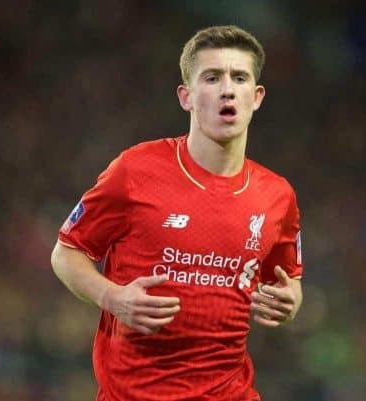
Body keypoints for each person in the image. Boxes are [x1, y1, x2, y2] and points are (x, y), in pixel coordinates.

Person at [51, 25, 303, 401]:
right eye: (212, 77)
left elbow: (290, 280)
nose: (228, 89)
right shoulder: (135, 171)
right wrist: (113, 298)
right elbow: (65, 253)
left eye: (239, 77)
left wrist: (291, 302)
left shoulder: (277, 195)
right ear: (186, 96)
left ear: (257, 97)